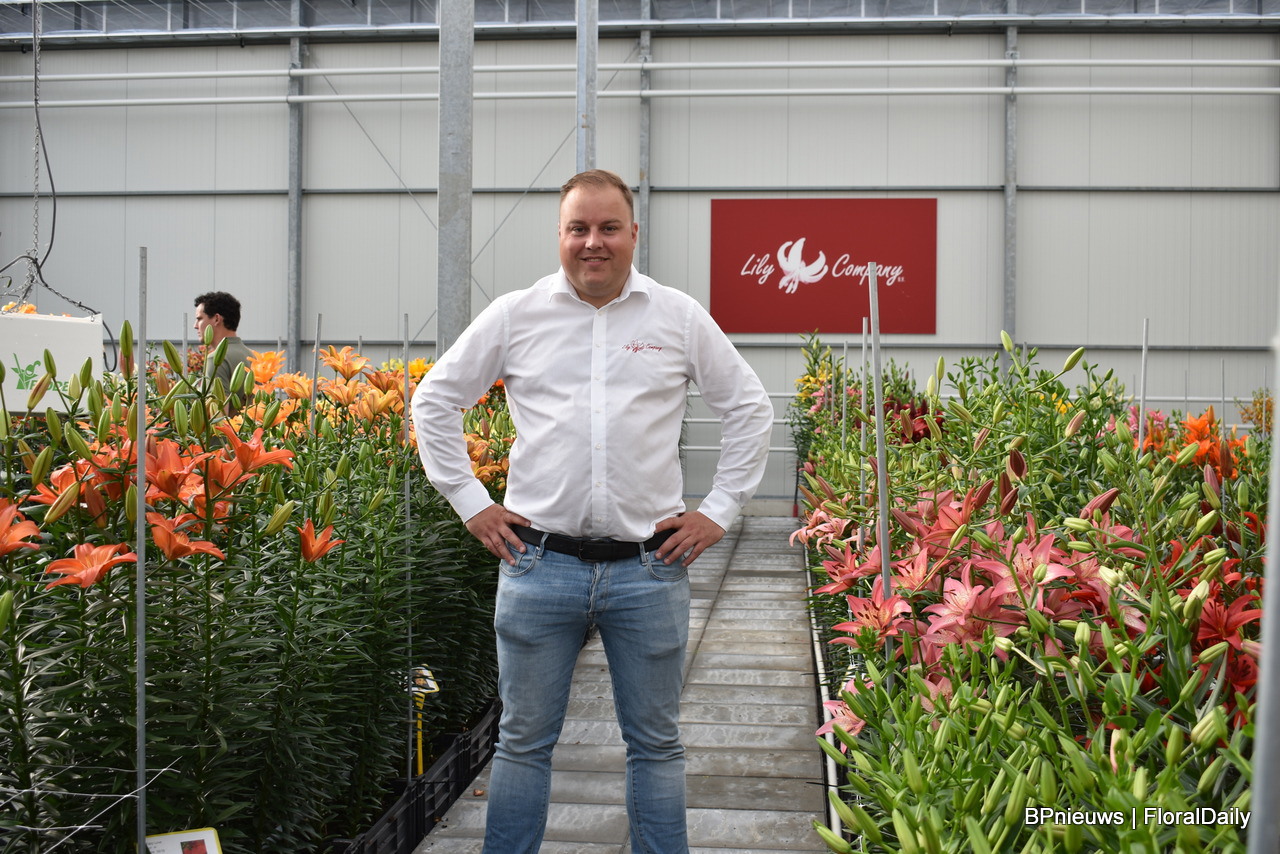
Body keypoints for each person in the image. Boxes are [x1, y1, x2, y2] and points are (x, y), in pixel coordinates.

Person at [411, 169, 774, 854]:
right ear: (560, 234)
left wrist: (719, 510)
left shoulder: (676, 317)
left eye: (608, 227)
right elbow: (433, 400)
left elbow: (749, 408)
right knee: (522, 742)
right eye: (578, 228)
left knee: (656, 744)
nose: (593, 242)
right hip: (538, 564)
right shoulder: (516, 315)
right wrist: (471, 503)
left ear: (633, 233)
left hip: (648, 568)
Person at [193, 291, 253, 411]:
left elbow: (219, 416)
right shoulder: (253, 356)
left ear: (216, 319)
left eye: (199, 319)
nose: (195, 325)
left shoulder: (216, 360)